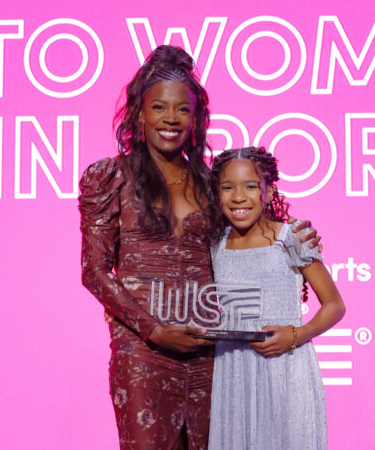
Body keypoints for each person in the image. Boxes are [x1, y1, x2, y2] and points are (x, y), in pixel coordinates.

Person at [78, 46, 319, 450]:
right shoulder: (110, 177)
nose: (170, 119)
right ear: (140, 113)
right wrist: (153, 330)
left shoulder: (212, 183)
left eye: (182, 111)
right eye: (159, 107)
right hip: (144, 351)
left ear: (196, 119)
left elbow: (248, 239)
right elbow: (95, 270)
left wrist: (294, 237)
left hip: (213, 350)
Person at [207, 146, 345, 450]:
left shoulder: (291, 237)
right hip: (232, 371)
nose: (239, 196)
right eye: (228, 187)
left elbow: (335, 305)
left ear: (268, 191)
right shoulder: (214, 245)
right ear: (217, 194)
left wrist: (296, 334)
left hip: (285, 367)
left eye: (251, 186)